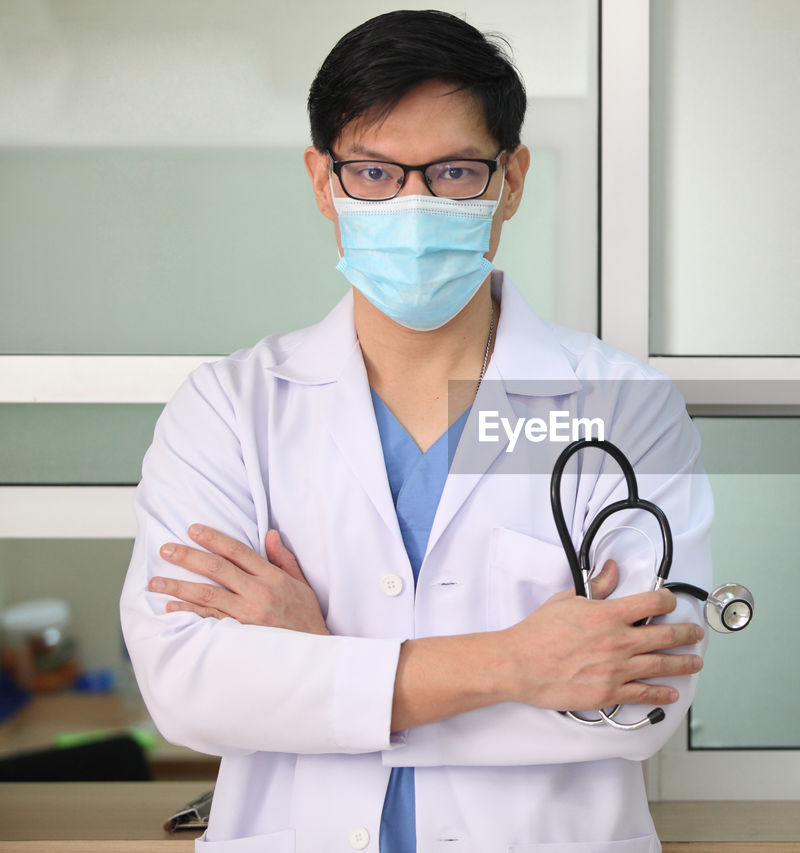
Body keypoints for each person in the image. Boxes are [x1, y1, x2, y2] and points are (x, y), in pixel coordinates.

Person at [119, 10, 711, 852]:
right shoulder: (229, 407)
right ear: (323, 182)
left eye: (456, 172)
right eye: (372, 172)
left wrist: (320, 668)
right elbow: (187, 691)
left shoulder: (626, 408)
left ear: (511, 180)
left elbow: (637, 708)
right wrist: (515, 664)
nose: (414, 204)